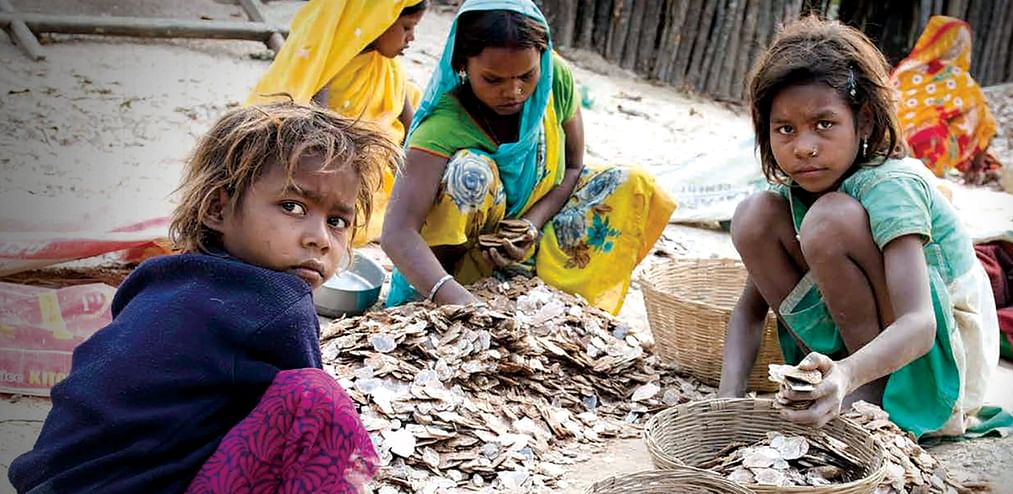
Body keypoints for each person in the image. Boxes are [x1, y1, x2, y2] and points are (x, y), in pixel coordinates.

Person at [8, 104, 398, 493]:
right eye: (292, 207)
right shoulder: (279, 303)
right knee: (318, 402)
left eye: (337, 222)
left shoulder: (158, 278)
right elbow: (302, 431)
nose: (320, 238)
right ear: (217, 208)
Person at [718, 17, 1003, 440]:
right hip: (859, 356)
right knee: (753, 215)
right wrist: (727, 401)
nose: (804, 146)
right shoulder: (798, 188)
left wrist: (847, 375)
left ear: (865, 122)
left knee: (829, 220)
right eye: (785, 129)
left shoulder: (892, 185)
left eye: (824, 124)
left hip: (940, 362)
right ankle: (833, 381)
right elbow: (749, 311)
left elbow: (920, 323)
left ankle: (867, 393)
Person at [379, 0, 675, 314]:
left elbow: (573, 167)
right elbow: (397, 233)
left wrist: (530, 226)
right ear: (462, 65)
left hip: (538, 234)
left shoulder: (554, 77)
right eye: (493, 80)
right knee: (470, 173)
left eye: (526, 76)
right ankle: (461, 293)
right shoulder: (443, 125)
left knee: (629, 183)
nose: (514, 91)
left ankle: (564, 304)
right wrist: (459, 301)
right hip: (466, 266)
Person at [248, 0, 429, 246]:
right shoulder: (328, 71)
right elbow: (321, 138)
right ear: (377, 22)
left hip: (373, 179)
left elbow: (413, 131)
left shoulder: (389, 70)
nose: (411, 38)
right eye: (407, 27)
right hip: (332, 173)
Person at [891, 16, 999, 184]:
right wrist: (977, 164)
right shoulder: (959, 80)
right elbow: (988, 126)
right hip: (928, 153)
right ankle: (971, 169)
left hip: (888, 144)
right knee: (978, 112)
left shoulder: (906, 69)